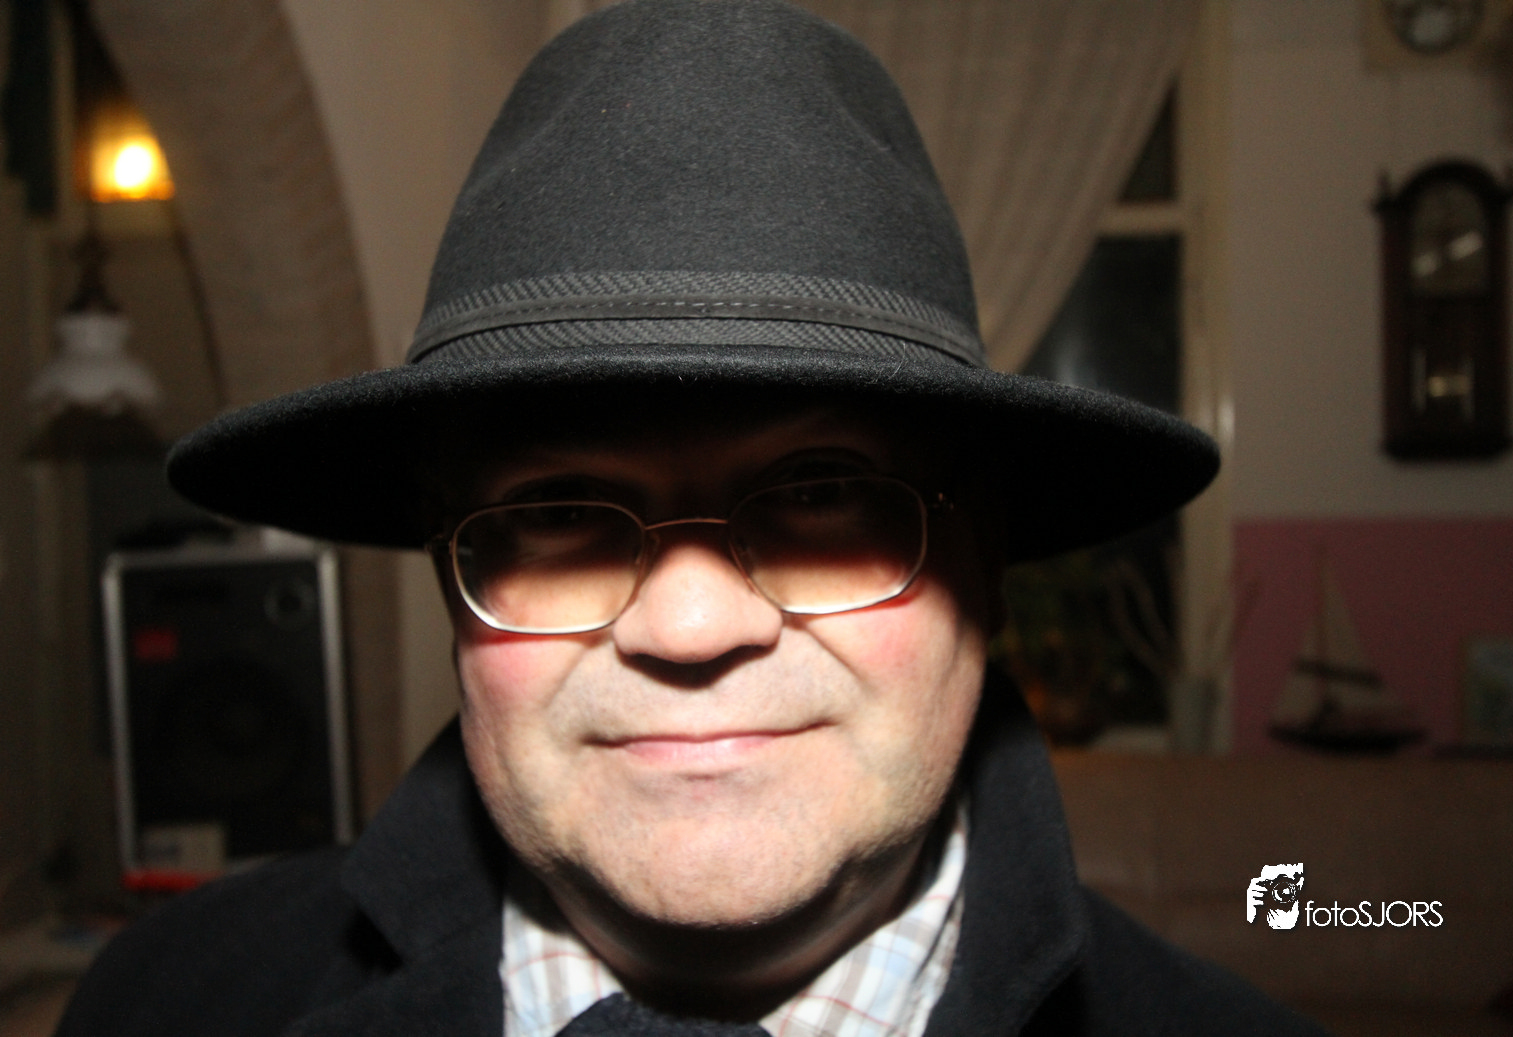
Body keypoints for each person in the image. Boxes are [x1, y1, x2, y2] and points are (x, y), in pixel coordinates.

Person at [57, 2, 1325, 1034]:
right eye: (560, 509)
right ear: (450, 578)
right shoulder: (165, 1003)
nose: (690, 622)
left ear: (982, 562)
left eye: (821, 492)